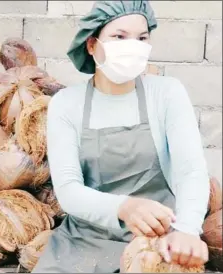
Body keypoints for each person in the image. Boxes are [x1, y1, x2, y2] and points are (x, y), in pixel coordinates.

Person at [33, 1, 211, 273]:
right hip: (84, 241)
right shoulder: (67, 104)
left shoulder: (166, 93)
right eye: (119, 37)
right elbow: (68, 189)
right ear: (92, 46)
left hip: (156, 240)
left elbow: (191, 170)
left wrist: (187, 229)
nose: (133, 46)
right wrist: (123, 206)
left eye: (142, 38)